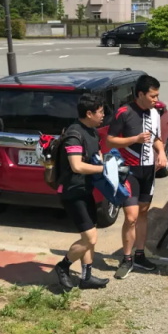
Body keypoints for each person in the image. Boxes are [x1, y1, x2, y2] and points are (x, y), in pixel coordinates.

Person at [107, 75, 168, 279]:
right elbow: (110, 140)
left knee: (143, 213)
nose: (156, 99)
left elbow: (157, 139)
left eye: (157, 95)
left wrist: (161, 153)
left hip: (148, 170)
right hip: (130, 170)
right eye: (153, 95)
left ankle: (139, 255)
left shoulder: (155, 112)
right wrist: (134, 139)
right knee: (131, 217)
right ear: (140, 94)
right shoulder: (124, 112)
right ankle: (126, 258)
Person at [52, 93, 110, 291]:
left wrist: (110, 167)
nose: (103, 115)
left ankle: (86, 277)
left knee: (90, 235)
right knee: (90, 238)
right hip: (72, 192)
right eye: (101, 112)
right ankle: (63, 266)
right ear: (89, 113)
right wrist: (105, 169)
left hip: (86, 190)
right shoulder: (74, 134)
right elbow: (76, 166)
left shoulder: (92, 131)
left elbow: (97, 157)